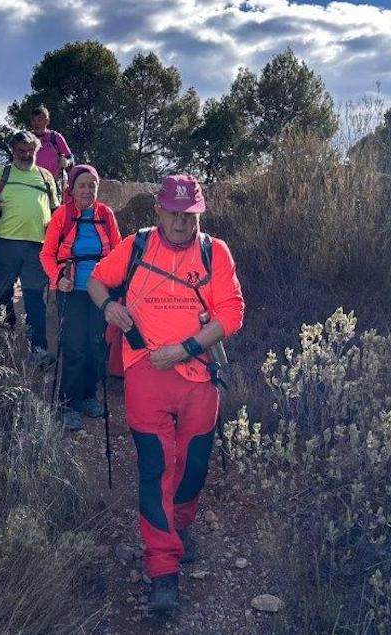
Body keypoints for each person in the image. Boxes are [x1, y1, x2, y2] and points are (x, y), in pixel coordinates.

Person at [87, 175, 245, 614]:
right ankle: (162, 569)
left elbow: (232, 312)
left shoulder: (215, 252)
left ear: (200, 214)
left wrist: (186, 348)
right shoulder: (136, 246)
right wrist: (109, 307)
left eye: (189, 215)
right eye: (173, 214)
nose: (181, 223)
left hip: (198, 375)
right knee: (157, 468)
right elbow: (97, 281)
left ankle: (181, 524)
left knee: (194, 464)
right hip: (146, 373)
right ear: (158, 210)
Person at [39, 164, 123, 430]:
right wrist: (57, 278)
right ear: (72, 189)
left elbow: (118, 252)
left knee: (96, 345)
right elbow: (46, 254)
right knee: (74, 347)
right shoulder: (62, 215)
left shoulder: (105, 214)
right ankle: (69, 405)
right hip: (71, 290)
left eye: (92, 185)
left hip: (101, 291)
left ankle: (89, 396)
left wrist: (117, 283)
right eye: (82, 185)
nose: (87, 190)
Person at [0, 131, 60, 365]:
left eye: (30, 151)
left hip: (38, 247)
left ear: (36, 151)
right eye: (20, 151)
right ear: (13, 151)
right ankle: (6, 341)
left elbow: (55, 211)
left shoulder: (46, 177)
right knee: (3, 293)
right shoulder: (1, 174)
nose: (25, 155)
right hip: (6, 244)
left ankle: (39, 349)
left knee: (34, 297)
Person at [30, 105, 72, 189]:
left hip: (55, 183)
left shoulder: (55, 137)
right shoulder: (27, 138)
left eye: (39, 120)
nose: (36, 124)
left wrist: (66, 162)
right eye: (33, 120)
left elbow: (71, 158)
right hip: (32, 183)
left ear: (47, 121)